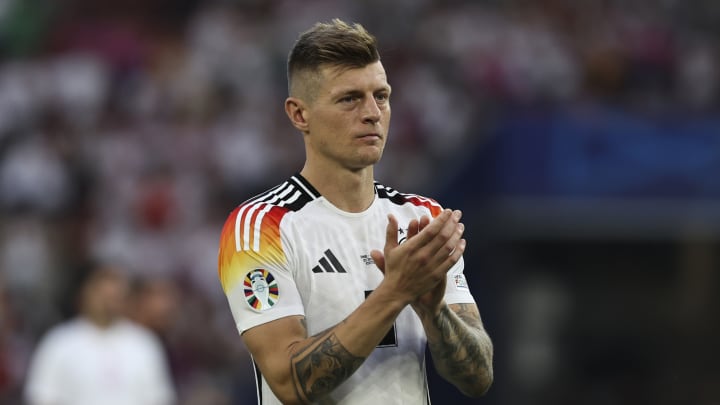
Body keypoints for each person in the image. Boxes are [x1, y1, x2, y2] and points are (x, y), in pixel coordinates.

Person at [217, 19, 493, 405]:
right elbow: (290, 383)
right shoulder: (262, 227)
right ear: (299, 115)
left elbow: (478, 377)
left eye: (381, 96)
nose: (372, 113)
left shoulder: (422, 218)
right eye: (349, 99)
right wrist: (396, 292)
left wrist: (435, 313)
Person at [23, 264, 176, 405]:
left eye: (114, 296)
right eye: (102, 294)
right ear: (85, 293)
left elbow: (158, 398)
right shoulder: (59, 342)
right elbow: (42, 396)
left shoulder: (144, 343)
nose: (108, 301)